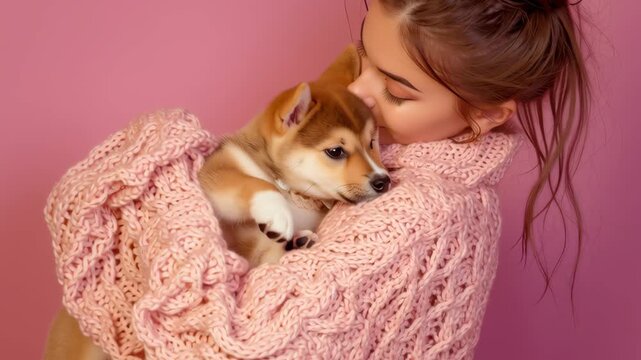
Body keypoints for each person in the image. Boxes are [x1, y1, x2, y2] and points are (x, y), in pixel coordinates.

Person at [45, 0, 590, 358]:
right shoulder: (409, 169)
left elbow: (236, 344)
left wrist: (161, 178)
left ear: (487, 113)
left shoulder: (422, 213)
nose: (360, 92)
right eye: (364, 59)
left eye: (397, 91)